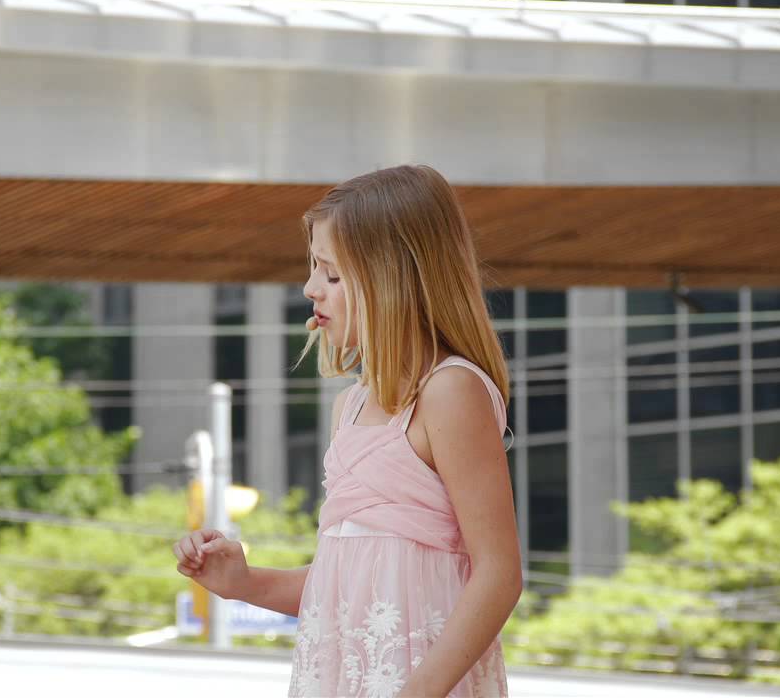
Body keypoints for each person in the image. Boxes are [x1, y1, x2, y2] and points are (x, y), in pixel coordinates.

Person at [172, 164, 521, 697]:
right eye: (314, 269)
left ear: (395, 280)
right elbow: (347, 583)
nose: (311, 288)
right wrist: (244, 584)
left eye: (332, 275)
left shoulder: (450, 391)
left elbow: (498, 575)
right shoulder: (350, 408)